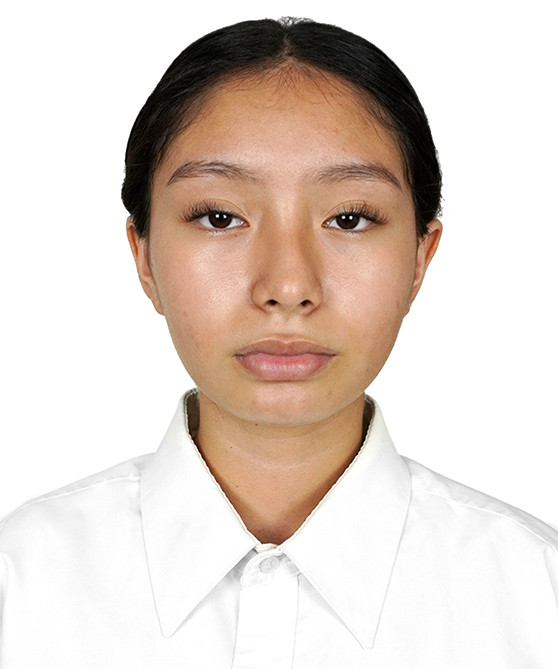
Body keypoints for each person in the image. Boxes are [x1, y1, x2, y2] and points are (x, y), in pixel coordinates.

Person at [0, 16, 556, 668]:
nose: (288, 286)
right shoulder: (20, 586)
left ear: (419, 259)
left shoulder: (536, 597)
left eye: (349, 218)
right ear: (143, 256)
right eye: (219, 217)